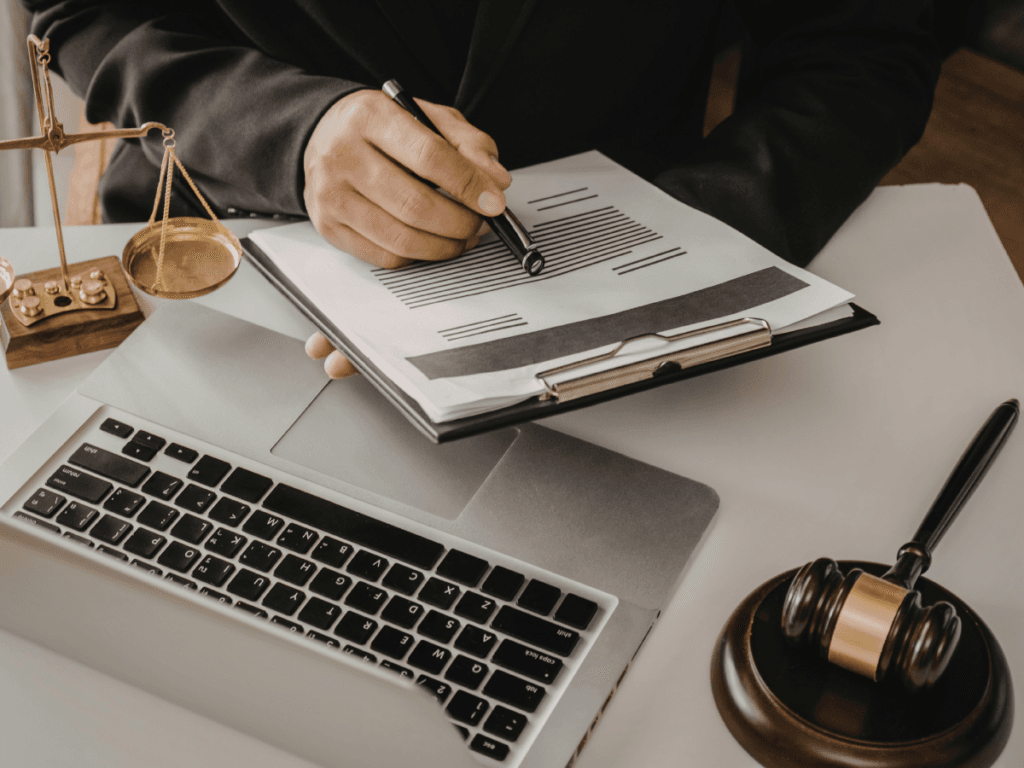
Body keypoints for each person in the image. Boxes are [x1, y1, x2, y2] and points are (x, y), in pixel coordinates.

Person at [26, 1, 941, 378]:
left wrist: (680, 239)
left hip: (643, 311)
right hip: (226, 266)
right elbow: (86, 12)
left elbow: (863, 49)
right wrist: (294, 134)